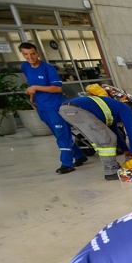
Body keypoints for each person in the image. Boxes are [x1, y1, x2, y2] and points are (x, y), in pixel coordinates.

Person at [19, 42, 85, 175]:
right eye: (26, 54)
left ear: (37, 53)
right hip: (42, 107)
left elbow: (57, 88)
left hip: (54, 107)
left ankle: (67, 163)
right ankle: (79, 155)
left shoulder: (48, 69)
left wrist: (36, 88)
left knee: (61, 134)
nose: (30, 57)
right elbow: (31, 85)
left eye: (32, 54)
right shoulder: (25, 66)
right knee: (59, 134)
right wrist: (33, 102)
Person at [59, 92, 132, 181]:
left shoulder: (111, 110)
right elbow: (131, 131)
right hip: (75, 110)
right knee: (105, 139)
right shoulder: (126, 109)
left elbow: (116, 134)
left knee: (107, 136)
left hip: (67, 109)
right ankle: (111, 171)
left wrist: (126, 150)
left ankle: (112, 165)